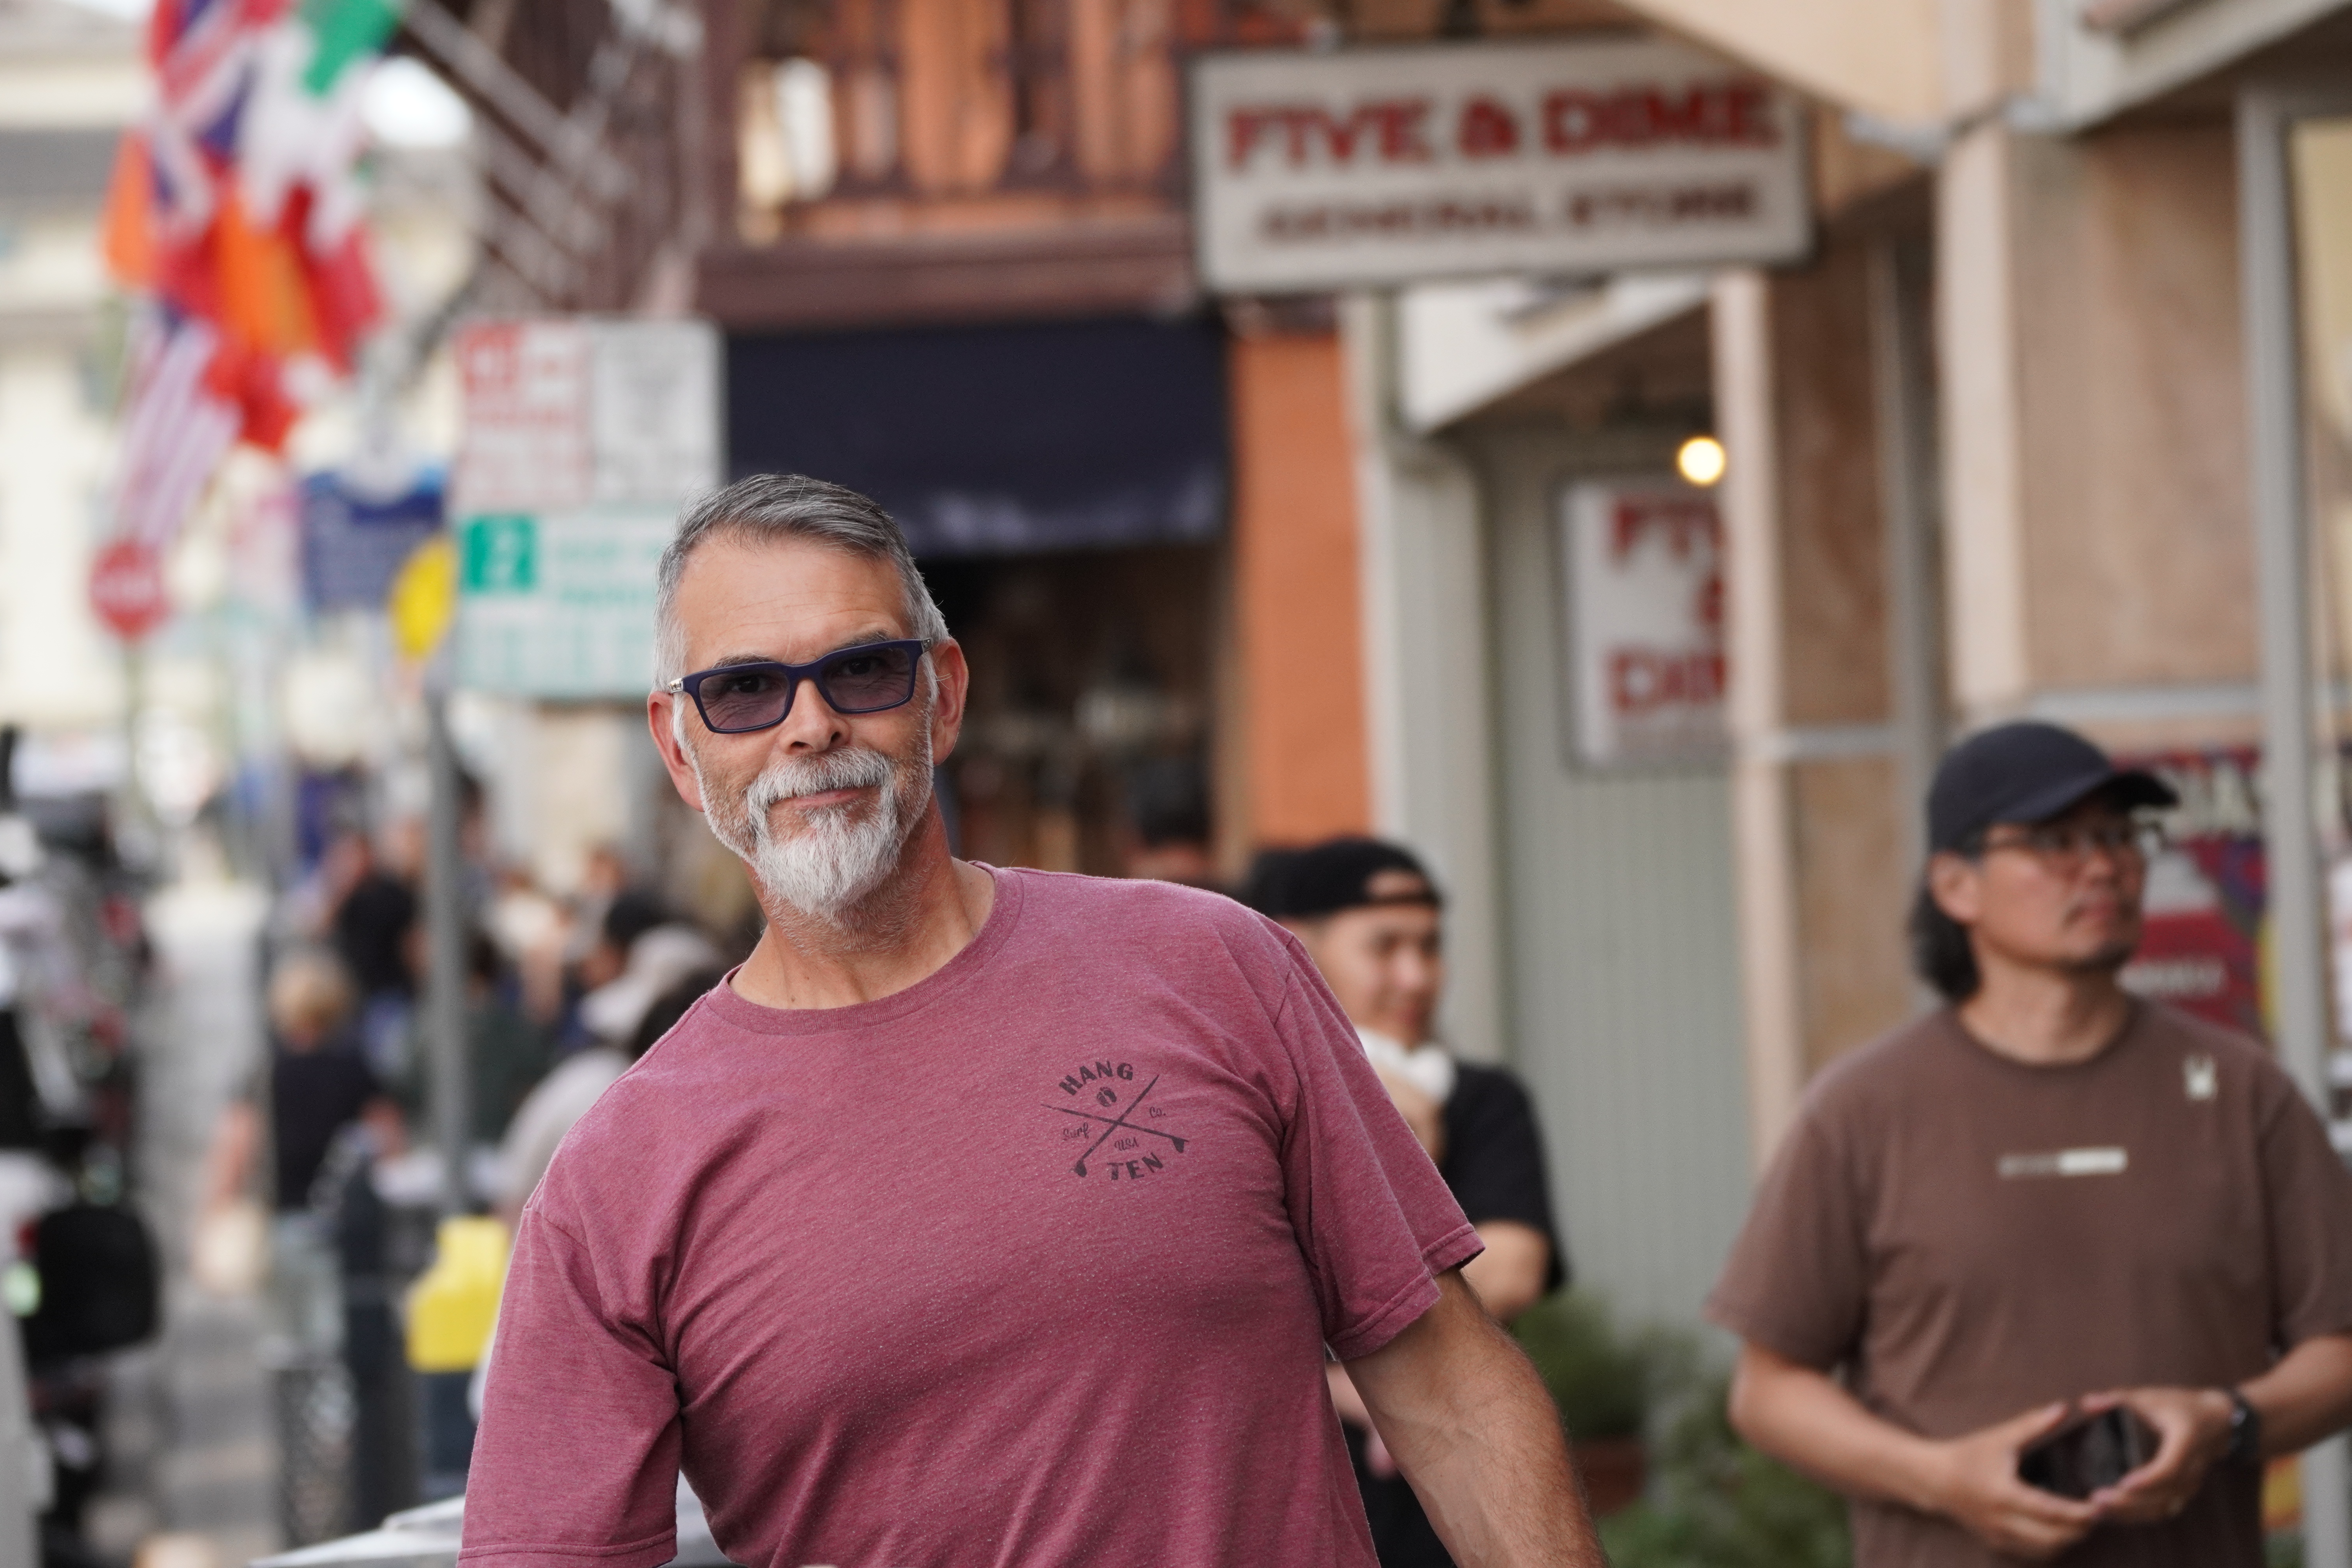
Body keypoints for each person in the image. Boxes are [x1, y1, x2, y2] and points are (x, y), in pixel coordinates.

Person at [462, 474, 1604, 1568]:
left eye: (863, 669)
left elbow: (1451, 1393)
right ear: (678, 745)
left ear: (943, 695)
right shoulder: (615, 1185)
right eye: (746, 691)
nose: (810, 726)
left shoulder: (1211, 966)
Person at [1708, 720, 2352, 1566]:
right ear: (1955, 883)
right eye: (2055, 840)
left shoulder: (2244, 1091)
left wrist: (2225, 1423)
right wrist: (1941, 1476)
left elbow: (2338, 1349)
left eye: (2119, 834)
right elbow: (1768, 1390)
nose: (2102, 864)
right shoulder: (1863, 1109)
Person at [1257, 837, 1566, 1568]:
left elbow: (1513, 1269)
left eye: (1430, 947)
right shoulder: (1255, 1104)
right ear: (1301, 948)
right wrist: (1334, 1385)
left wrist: (1392, 1156)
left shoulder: (1483, 1101)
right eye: (1386, 946)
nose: (1415, 975)